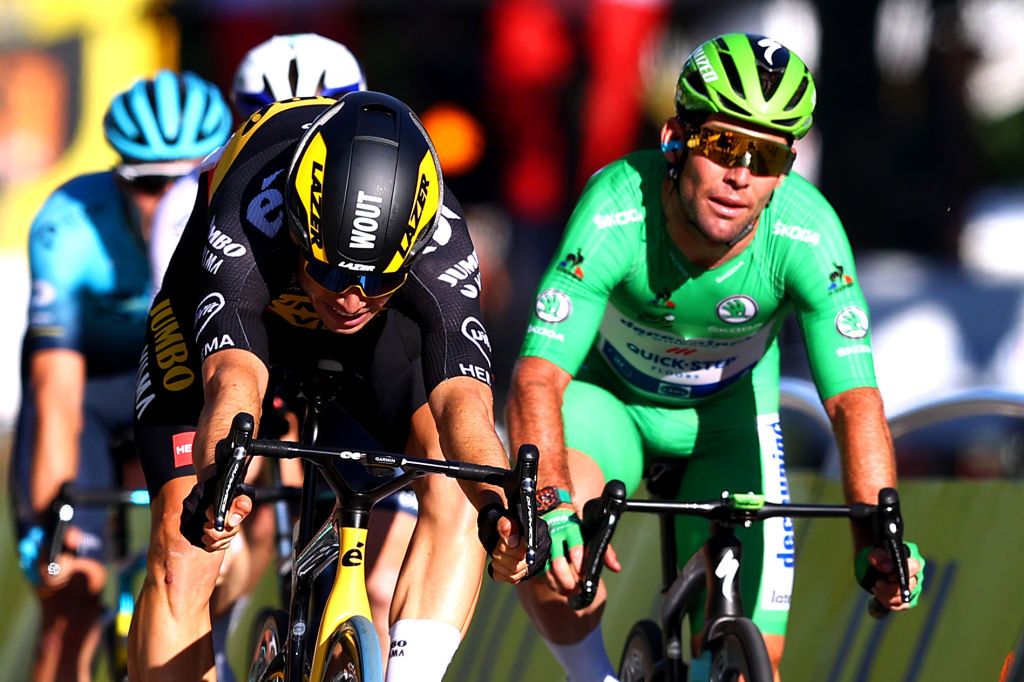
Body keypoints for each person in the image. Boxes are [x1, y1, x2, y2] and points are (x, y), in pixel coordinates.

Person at [504, 33, 926, 680]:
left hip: (728, 418)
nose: (741, 175)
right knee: (550, 556)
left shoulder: (808, 234)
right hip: (608, 403)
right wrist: (554, 505)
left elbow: (853, 401)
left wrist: (876, 539)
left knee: (762, 658)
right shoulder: (618, 207)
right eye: (724, 145)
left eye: (766, 156)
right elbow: (538, 377)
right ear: (676, 138)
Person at [128, 90, 536, 681]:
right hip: (236, 321)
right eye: (332, 270)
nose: (350, 299)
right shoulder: (253, 207)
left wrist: (499, 506)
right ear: (298, 227)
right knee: (182, 549)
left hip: (374, 345)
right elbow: (232, 375)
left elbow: (463, 402)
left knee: (454, 481)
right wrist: (221, 475)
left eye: (377, 280)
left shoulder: (441, 240)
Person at [145, 34, 405, 674]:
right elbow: (225, 366)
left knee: (384, 542)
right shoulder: (203, 194)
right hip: (226, 345)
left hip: (332, 345)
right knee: (199, 541)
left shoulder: (388, 204)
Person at [9, 70, 231, 681]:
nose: (169, 202)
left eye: (190, 179)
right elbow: (55, 387)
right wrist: (53, 509)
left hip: (178, 396)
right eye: (149, 183)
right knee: (72, 593)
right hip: (91, 397)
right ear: (117, 175)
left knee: (207, 568)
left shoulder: (239, 224)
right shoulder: (71, 222)